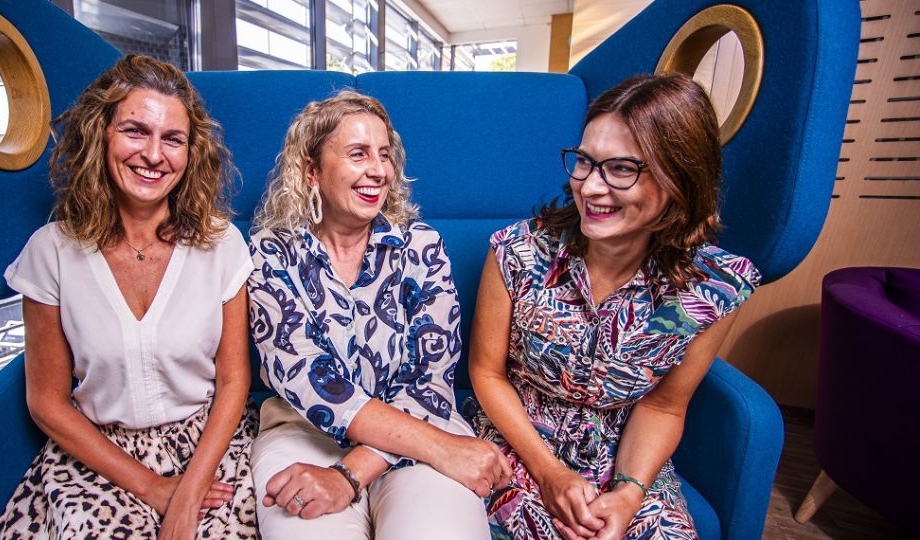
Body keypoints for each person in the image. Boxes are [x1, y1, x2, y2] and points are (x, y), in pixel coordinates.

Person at [466, 73, 761, 540]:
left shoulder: (716, 287)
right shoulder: (517, 250)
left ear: (679, 177)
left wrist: (628, 493)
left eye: (621, 169)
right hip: (517, 439)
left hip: (625, 457)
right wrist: (548, 474)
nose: (590, 187)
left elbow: (664, 407)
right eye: (584, 162)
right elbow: (486, 373)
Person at [0, 55, 257, 540]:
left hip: (207, 445)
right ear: (101, 135)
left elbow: (235, 379)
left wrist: (190, 491)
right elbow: (47, 403)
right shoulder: (49, 252)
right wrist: (153, 488)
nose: (154, 155)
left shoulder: (223, 245)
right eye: (136, 131)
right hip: (98, 453)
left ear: (191, 153)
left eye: (172, 139)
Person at [246, 90, 512, 539]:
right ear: (312, 170)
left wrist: (350, 474)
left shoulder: (422, 247)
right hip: (305, 434)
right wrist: (436, 450)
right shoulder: (271, 253)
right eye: (358, 154)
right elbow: (309, 379)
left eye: (385, 155)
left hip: (421, 423)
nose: (378, 170)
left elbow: (429, 380)